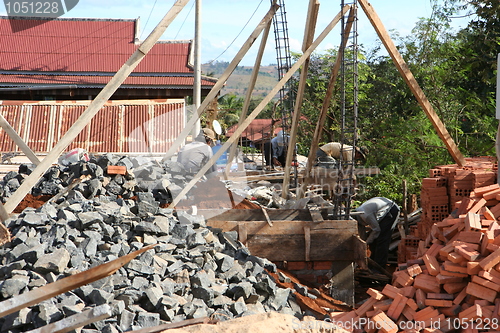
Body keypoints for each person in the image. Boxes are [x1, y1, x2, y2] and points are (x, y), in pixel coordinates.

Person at [352, 197, 400, 268]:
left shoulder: (366, 215)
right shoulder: (358, 212)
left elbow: (376, 230)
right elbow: (363, 233)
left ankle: (379, 267)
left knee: (382, 239)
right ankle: (372, 264)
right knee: (374, 239)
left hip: (391, 210)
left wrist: (366, 243)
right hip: (382, 211)